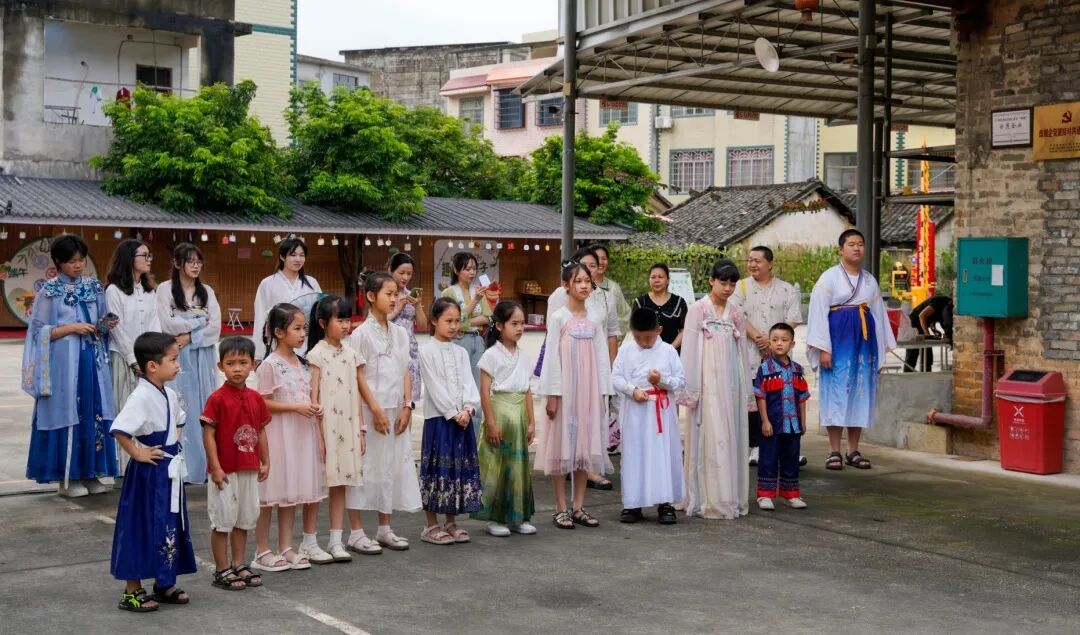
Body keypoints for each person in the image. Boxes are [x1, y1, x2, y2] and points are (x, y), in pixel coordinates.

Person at [24, 234, 119, 497]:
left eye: (81, 260)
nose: (78, 265)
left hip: (91, 363)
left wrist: (106, 324)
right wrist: (71, 328)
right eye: (72, 261)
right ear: (58, 262)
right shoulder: (49, 291)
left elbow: (100, 326)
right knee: (68, 414)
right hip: (64, 367)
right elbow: (38, 332)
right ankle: (67, 479)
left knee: (93, 413)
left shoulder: (94, 287)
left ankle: (91, 473)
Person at [110, 332, 196, 612]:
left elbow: (180, 419)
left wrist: (173, 443)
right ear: (152, 366)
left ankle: (164, 582)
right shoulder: (141, 396)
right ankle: (132, 591)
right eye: (173, 360)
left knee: (168, 524)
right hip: (148, 474)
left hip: (167, 471)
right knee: (140, 525)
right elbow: (120, 429)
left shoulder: (168, 393)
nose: (178, 365)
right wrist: (138, 452)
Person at [807, 229, 896, 471]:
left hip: (864, 345)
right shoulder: (828, 278)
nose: (857, 248)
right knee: (836, 392)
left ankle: (853, 450)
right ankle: (833, 450)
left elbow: (878, 316)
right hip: (838, 343)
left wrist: (879, 353)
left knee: (860, 392)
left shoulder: (869, 281)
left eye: (860, 244)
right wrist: (823, 348)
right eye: (851, 244)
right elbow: (818, 314)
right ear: (841, 249)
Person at [252, 304, 330, 572]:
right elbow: (262, 403)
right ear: (278, 332)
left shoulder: (303, 363)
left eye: (303, 328)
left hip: (301, 435)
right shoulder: (270, 365)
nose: (302, 334)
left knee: (290, 494)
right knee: (269, 497)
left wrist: (314, 408)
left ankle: (286, 547)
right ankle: (261, 550)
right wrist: (295, 407)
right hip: (278, 436)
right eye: (296, 329)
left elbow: (307, 396)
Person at [347, 272, 421, 553]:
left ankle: (384, 528)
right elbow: (358, 376)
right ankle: (356, 532)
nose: (394, 299)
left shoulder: (399, 332)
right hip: (369, 410)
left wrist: (407, 405)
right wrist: (375, 410)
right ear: (370, 296)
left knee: (389, 467)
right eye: (388, 294)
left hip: (395, 408)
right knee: (365, 468)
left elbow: (405, 370)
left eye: (395, 294)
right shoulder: (360, 334)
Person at [538, 262, 613, 530]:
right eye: (578, 281)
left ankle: (579, 506)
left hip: (589, 393)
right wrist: (553, 394)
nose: (583, 285)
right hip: (565, 392)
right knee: (561, 447)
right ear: (566, 285)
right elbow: (551, 358)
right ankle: (560, 508)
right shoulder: (559, 317)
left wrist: (603, 393)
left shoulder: (595, 318)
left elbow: (602, 358)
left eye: (587, 281)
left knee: (585, 448)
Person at [678, 258, 752, 520]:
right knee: (709, 435)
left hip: (730, 383)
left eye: (732, 284)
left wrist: (745, 390)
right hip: (706, 382)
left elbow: (742, 352)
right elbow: (688, 350)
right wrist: (690, 390)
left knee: (730, 436)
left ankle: (728, 496)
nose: (728, 288)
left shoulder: (736, 313)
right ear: (711, 281)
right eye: (723, 282)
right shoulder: (698, 310)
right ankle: (705, 497)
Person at [543, 246, 619, 488]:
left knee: (589, 425)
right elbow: (553, 346)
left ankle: (586, 477)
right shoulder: (560, 303)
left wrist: (607, 382)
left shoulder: (603, 300)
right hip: (568, 370)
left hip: (591, 373)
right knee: (566, 425)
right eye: (584, 269)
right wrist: (553, 391)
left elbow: (608, 340)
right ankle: (565, 476)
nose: (589, 274)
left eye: (592, 268)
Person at [201, 336, 270, 590]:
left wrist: (266, 461)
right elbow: (208, 434)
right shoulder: (216, 398)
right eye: (231, 364)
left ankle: (239, 564)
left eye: (243, 362)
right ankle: (222, 570)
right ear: (221, 366)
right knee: (223, 520)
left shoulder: (256, 398)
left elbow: (260, 430)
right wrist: (216, 467)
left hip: (248, 467)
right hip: (225, 471)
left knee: (244, 519)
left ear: (253, 364)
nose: (237, 369)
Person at [730, 246, 804, 468]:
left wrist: (773, 341)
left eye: (757, 261)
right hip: (750, 350)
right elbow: (737, 316)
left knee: (781, 396)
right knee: (755, 396)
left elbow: (793, 318)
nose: (752, 264)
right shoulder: (740, 287)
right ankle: (756, 446)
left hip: (779, 351)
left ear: (770, 264)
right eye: (749, 260)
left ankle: (787, 445)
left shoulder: (786, 289)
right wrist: (758, 338)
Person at [612, 308, 686, 525]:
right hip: (636, 411)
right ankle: (633, 503)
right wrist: (632, 390)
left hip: (661, 411)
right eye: (638, 338)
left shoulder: (668, 351)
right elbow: (616, 377)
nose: (643, 342)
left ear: (659, 330)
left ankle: (665, 502)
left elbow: (681, 381)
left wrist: (661, 380)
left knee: (662, 455)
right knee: (635, 454)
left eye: (648, 338)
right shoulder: (626, 350)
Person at [417, 298, 482, 545]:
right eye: (448, 321)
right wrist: (453, 413)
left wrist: (468, 409)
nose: (454, 326)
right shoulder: (426, 351)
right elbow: (433, 386)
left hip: (462, 419)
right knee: (437, 470)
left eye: (457, 321)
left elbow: (469, 382)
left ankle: (451, 521)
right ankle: (430, 524)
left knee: (456, 470)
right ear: (435, 321)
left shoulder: (461, 352)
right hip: (439, 420)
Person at [307, 295, 366, 563]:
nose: (345, 325)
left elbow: (357, 393)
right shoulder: (316, 354)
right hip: (326, 427)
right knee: (319, 485)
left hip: (348, 427)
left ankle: (335, 540)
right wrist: (318, 435)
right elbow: (313, 397)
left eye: (347, 320)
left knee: (341, 483)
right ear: (323, 323)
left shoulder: (352, 353)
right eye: (339, 320)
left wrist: (361, 429)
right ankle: (309, 541)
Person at [156, 243, 220, 484]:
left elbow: (215, 327)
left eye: (198, 261)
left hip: (203, 355)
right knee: (182, 405)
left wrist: (191, 335)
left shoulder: (207, 291)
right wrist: (199, 320)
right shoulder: (165, 289)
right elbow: (167, 324)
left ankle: (206, 464)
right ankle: (182, 466)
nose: (195, 266)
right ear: (177, 263)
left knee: (205, 404)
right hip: (177, 354)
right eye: (190, 261)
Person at [471, 300, 537, 537]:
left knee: (518, 466)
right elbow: (484, 392)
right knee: (496, 465)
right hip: (499, 412)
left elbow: (527, 390)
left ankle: (517, 516)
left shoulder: (523, 355)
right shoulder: (490, 355)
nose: (520, 328)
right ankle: (494, 517)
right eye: (514, 324)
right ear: (499, 326)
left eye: (522, 324)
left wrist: (532, 422)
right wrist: (490, 423)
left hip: (519, 413)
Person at [753, 323, 810, 511]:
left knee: (791, 458)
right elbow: (761, 396)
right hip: (772, 423)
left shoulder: (798, 370)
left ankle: (790, 494)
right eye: (775, 340)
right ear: (769, 343)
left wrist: (803, 421)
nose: (779, 343)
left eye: (784, 340)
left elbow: (802, 397)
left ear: (792, 344)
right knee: (768, 458)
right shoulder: (765, 369)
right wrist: (765, 421)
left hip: (793, 424)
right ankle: (765, 495)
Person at [105, 239, 160, 414]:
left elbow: (155, 324)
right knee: (125, 409)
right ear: (129, 258)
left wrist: (155, 354)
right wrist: (134, 360)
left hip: (148, 360)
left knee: (148, 410)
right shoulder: (113, 291)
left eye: (150, 255)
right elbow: (117, 329)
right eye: (145, 255)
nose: (149, 259)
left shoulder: (150, 290)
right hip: (123, 357)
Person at [253, 237, 322, 362]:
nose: (298, 259)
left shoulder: (312, 283)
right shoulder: (267, 284)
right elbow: (260, 317)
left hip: (306, 343)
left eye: (302, 255)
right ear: (282, 256)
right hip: (279, 343)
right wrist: (259, 353)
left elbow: (320, 313)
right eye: (293, 255)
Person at [440, 251, 490, 388]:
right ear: (456, 270)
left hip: (478, 339)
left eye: (474, 269)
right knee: (459, 381)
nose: (472, 272)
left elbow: (487, 317)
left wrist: (463, 322)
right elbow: (450, 321)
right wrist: (475, 301)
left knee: (478, 382)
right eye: (467, 269)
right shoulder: (448, 293)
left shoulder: (478, 290)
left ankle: (477, 404)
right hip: (458, 340)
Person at [387, 252, 428, 403]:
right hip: (390, 349)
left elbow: (422, 325)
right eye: (401, 273)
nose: (405, 277)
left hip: (411, 350)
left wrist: (417, 306)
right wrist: (397, 309)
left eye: (409, 274)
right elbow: (375, 321)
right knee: (392, 397)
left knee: (409, 401)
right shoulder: (383, 295)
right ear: (391, 270)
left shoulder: (411, 295)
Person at [632, 263, 689, 351]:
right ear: (649, 280)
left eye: (660, 277)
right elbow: (635, 331)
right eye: (653, 277)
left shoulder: (679, 302)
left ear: (668, 280)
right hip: (645, 353)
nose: (656, 280)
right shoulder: (640, 303)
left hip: (672, 353)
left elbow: (684, 330)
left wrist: (670, 349)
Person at [904, 295, 953, 372]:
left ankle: (926, 373)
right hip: (914, 323)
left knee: (927, 353)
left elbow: (944, 323)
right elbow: (922, 316)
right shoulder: (939, 301)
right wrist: (927, 335)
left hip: (922, 324)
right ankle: (907, 374)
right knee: (913, 352)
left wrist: (946, 336)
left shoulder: (947, 309)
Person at [592, 243, 632, 337]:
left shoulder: (614, 288)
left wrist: (609, 329)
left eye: (604, 259)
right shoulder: (582, 286)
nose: (600, 262)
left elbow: (625, 316)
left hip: (609, 341)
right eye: (596, 258)